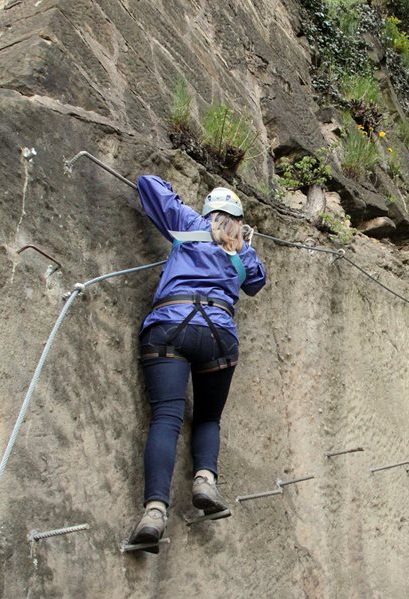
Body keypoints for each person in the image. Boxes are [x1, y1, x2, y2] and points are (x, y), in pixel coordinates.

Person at [127, 176, 266, 552]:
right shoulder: (244, 253)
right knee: (207, 418)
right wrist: (242, 245)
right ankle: (205, 480)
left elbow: (147, 184)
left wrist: (175, 191)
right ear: (239, 220)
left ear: (209, 213)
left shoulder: (188, 223)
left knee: (166, 417)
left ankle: (154, 512)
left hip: (170, 324)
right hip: (219, 337)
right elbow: (256, 283)